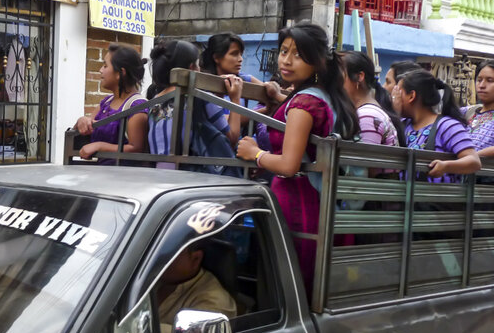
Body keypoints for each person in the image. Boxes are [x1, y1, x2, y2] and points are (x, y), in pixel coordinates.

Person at [235, 21, 360, 297]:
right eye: (284, 51)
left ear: (317, 62)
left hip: (298, 207)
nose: (286, 60)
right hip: (323, 204)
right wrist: (279, 97)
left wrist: (255, 154)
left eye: (298, 55)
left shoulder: (304, 104)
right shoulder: (326, 96)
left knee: (288, 287)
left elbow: (289, 165)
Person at [147, 40, 242, 172]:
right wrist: (235, 99)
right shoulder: (201, 97)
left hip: (159, 175)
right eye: (198, 65)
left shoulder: (154, 102)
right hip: (190, 177)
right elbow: (231, 139)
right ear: (192, 68)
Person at [394, 69, 480, 183]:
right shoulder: (403, 124)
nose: (394, 98)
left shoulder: (447, 126)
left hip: (436, 194)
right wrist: (395, 113)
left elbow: (474, 162)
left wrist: (446, 166)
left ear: (411, 96)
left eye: (398, 93)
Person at [74, 44, 148, 164]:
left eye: (105, 66)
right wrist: (82, 120)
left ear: (120, 73)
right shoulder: (106, 103)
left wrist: (99, 146)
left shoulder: (136, 106)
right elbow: (88, 126)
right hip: (101, 172)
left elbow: (136, 148)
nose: (100, 70)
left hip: (122, 174)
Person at [156, 244, 237, 333]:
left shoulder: (215, 300)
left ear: (196, 259)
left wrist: (144, 330)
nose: (157, 259)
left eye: (168, 254)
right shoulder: (155, 279)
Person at [341, 51, 405, 148]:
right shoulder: (367, 113)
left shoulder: (368, 116)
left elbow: (363, 157)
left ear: (359, 77)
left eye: (340, 76)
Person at [462, 60, 494, 157]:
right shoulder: (466, 112)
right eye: (479, 80)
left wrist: (471, 158)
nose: (482, 85)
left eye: (490, 80)